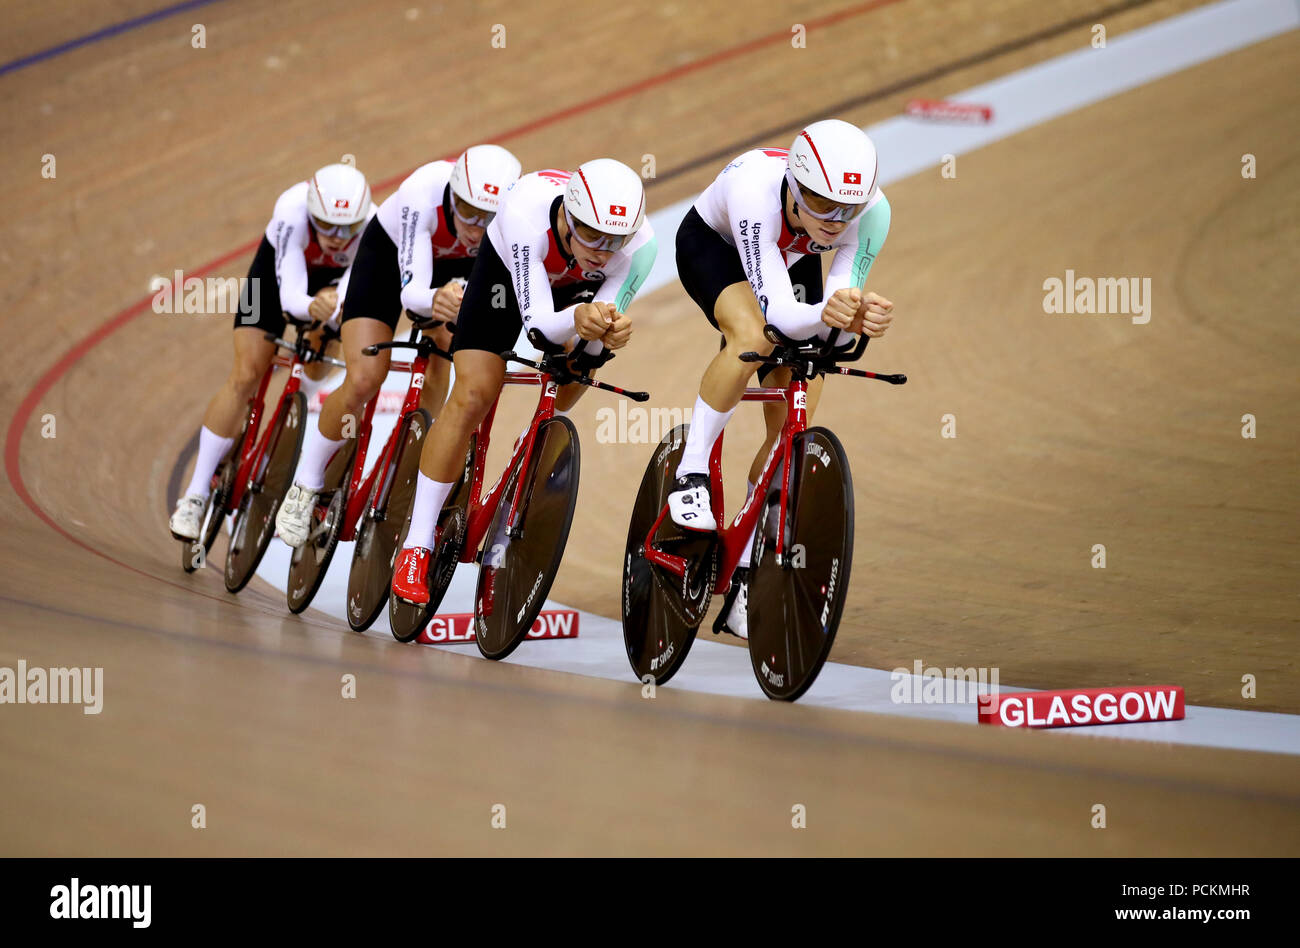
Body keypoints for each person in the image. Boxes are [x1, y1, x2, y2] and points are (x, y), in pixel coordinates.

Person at [388, 158, 658, 604]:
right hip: (507, 281)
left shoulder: (641, 248)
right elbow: (535, 328)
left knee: (578, 369)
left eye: (616, 241)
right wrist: (577, 317)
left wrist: (607, 336)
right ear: (569, 218)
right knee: (474, 392)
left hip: (575, 294)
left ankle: (526, 447)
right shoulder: (525, 217)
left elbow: (591, 343)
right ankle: (416, 544)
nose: (602, 250)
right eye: (591, 235)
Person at [669, 119, 896, 638]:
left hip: (790, 260)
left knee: (803, 389)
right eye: (821, 203)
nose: (836, 222)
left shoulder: (872, 213)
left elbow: (834, 310)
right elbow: (782, 318)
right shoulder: (756, 190)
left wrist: (853, 317)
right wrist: (837, 314)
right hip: (719, 246)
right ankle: (692, 470)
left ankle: (747, 568)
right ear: (794, 187)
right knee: (752, 337)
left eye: (849, 209)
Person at [273, 145, 522, 547]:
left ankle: (416, 452)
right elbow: (412, 293)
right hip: (390, 263)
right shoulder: (421, 191)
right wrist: (436, 300)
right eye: (467, 210)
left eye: (488, 217)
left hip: (458, 272)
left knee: (446, 351)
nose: (476, 227)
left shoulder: (513, 219)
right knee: (366, 377)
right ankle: (305, 484)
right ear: (451, 193)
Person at [168, 162, 372, 541]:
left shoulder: (371, 226)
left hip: (331, 288)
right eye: (326, 225)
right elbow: (290, 294)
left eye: (348, 229)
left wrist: (334, 302)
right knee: (247, 373)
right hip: (276, 279)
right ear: (312, 213)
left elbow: (354, 285)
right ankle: (195, 495)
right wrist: (313, 305)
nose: (338, 238)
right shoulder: (292, 211)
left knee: (325, 343)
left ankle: (298, 404)